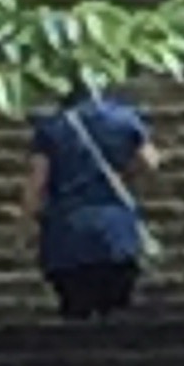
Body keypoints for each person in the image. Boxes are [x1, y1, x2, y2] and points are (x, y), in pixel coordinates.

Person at [22, 83, 156, 321]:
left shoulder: (52, 128)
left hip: (67, 233)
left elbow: (38, 181)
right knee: (116, 308)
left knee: (76, 308)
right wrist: (124, 175)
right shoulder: (125, 118)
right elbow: (149, 160)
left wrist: (27, 221)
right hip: (116, 230)